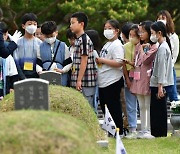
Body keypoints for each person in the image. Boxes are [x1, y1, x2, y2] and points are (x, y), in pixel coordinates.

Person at [96, 19, 124, 135]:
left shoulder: (117, 45)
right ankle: (111, 130)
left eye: (110, 28)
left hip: (112, 81)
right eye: (105, 28)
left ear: (116, 31)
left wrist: (103, 60)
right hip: (103, 81)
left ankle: (119, 131)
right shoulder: (107, 44)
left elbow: (119, 63)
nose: (107, 30)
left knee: (114, 107)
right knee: (104, 106)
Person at [130, 21, 158, 139]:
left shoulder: (153, 46)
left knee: (147, 104)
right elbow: (136, 61)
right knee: (141, 105)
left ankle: (148, 129)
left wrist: (141, 49)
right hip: (138, 77)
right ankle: (143, 129)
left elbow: (146, 60)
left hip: (147, 78)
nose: (140, 34)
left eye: (143, 32)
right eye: (139, 32)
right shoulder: (138, 46)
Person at [150, 21, 174, 137]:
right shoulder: (162, 47)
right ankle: (158, 132)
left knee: (158, 111)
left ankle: (159, 133)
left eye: (153, 33)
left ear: (159, 33)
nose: (152, 35)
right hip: (158, 83)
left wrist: (160, 86)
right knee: (157, 110)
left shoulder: (163, 48)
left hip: (159, 85)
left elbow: (162, 68)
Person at [70, 12, 97, 108]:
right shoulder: (78, 39)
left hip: (85, 81)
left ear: (81, 24)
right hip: (79, 80)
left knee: (86, 107)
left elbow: (84, 60)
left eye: (73, 23)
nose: (71, 26)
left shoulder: (84, 39)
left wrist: (79, 80)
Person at [157, 10, 179, 102]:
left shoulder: (173, 37)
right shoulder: (155, 36)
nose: (160, 20)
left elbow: (175, 54)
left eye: (163, 18)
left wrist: (168, 66)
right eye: (158, 18)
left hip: (169, 69)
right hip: (158, 70)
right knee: (160, 96)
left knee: (172, 94)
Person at [40, 21, 70, 86]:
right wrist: (40, 71)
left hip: (61, 75)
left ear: (56, 33)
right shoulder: (40, 46)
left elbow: (69, 62)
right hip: (45, 76)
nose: (49, 38)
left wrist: (63, 70)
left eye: (51, 36)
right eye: (47, 36)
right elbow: (38, 62)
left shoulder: (63, 45)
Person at [13, 13, 42, 80]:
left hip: (36, 76)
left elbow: (40, 62)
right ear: (23, 26)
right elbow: (15, 61)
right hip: (20, 76)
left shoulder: (40, 43)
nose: (32, 26)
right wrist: (22, 77)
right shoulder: (17, 42)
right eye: (29, 24)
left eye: (35, 24)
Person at [123, 24, 140, 139]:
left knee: (143, 104)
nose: (132, 37)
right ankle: (132, 128)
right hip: (130, 76)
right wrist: (127, 80)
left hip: (141, 78)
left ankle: (145, 128)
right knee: (130, 104)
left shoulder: (143, 46)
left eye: (134, 35)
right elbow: (123, 65)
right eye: (130, 35)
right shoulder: (125, 47)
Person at [119, 22, 133, 131]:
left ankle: (129, 125)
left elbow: (123, 65)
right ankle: (129, 124)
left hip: (128, 77)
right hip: (132, 77)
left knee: (128, 103)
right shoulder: (132, 46)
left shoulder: (124, 47)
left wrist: (127, 78)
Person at [0, 22, 18, 96]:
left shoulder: (9, 56)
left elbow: (13, 72)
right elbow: (4, 53)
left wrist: (12, 87)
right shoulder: (7, 49)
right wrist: (14, 43)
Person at [86, 29, 101, 112]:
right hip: (94, 79)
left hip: (93, 79)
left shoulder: (94, 52)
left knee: (93, 98)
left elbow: (97, 67)